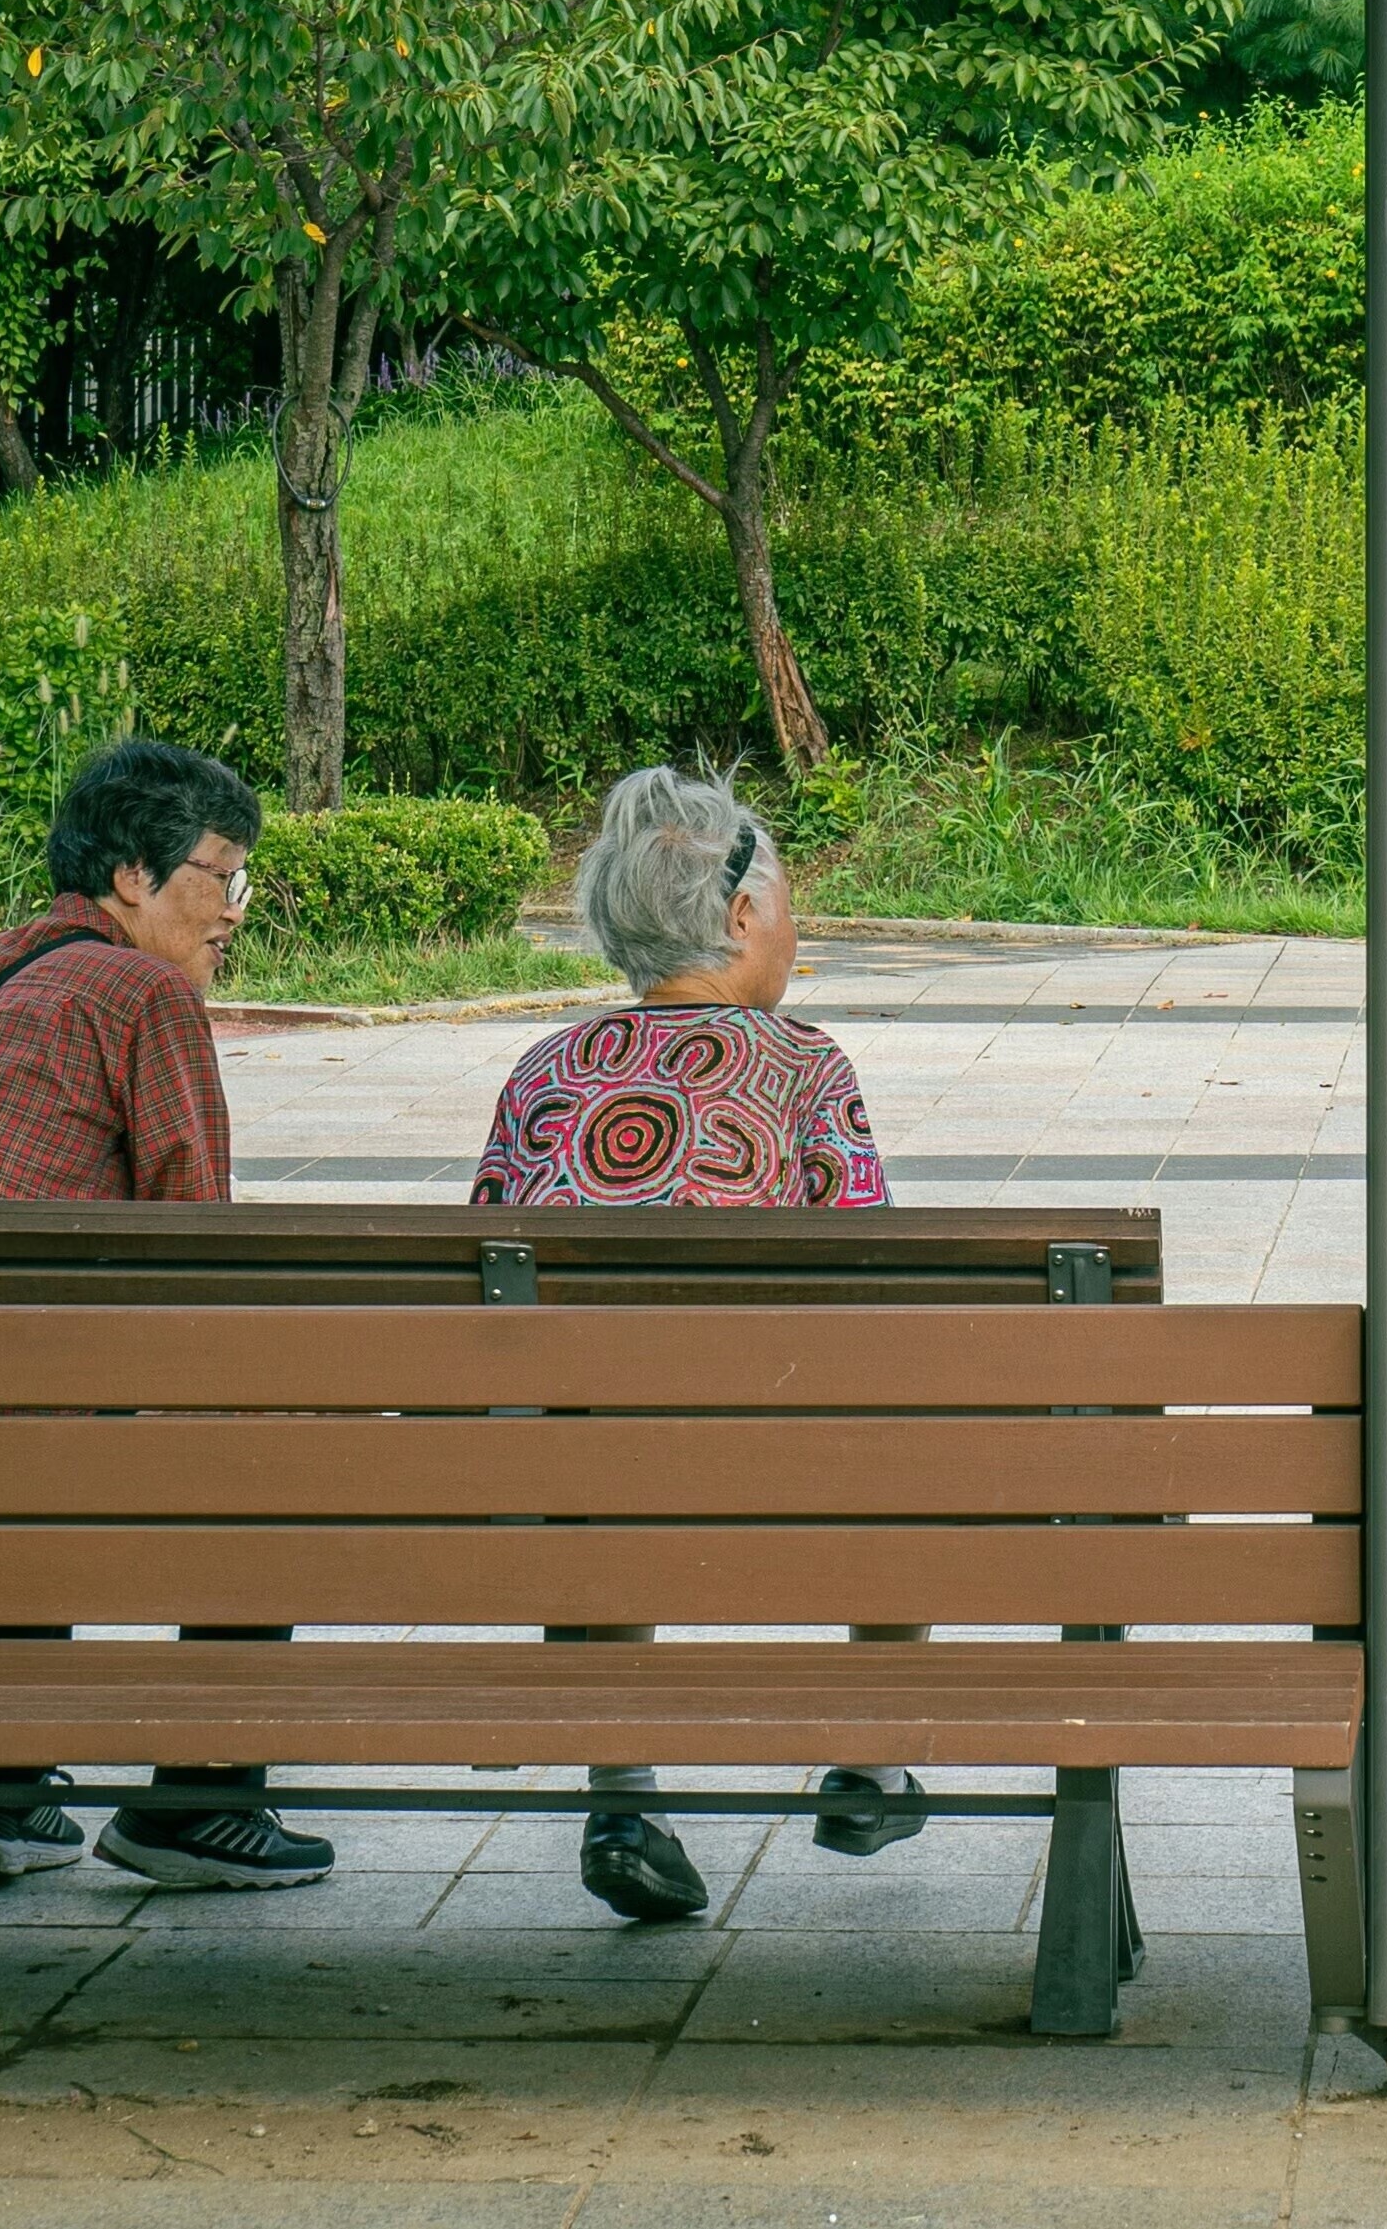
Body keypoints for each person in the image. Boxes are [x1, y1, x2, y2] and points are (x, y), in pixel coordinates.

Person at [0, 737, 339, 1895]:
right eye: (222, 876)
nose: (233, 911)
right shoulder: (143, 991)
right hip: (7, 1417)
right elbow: (198, 1254)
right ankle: (201, 1799)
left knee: (26, 1415)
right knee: (278, 1454)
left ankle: (3, 1793)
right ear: (132, 877)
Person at [471, 764, 894, 1924]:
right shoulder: (806, 1065)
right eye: (793, 909)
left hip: (561, 1486)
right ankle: (872, 1747)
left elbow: (481, 1297)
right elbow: (881, 1291)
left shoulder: (543, 1071)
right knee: (918, 1435)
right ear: (744, 915)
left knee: (594, 1434)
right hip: (765, 1475)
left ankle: (623, 1789)